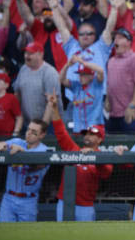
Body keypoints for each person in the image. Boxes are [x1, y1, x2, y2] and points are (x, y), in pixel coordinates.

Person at [47, 91, 113, 222]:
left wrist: (93, 156)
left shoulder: (104, 156)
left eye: (92, 134)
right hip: (64, 202)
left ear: (100, 139)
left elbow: (107, 172)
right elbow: (61, 132)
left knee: (85, 239)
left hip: (85, 206)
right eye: (86, 134)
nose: (87, 136)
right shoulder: (74, 149)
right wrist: (54, 108)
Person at [0, 119, 49, 222]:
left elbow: (36, 165)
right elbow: (0, 144)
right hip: (9, 198)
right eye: (28, 129)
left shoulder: (45, 150)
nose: (29, 133)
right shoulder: (17, 142)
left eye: (34, 132)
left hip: (28, 201)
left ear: (42, 135)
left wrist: (22, 153)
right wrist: (1, 145)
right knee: (4, 232)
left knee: (26, 235)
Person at [13, 42, 63, 128]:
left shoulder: (50, 72)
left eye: (31, 53)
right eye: (26, 53)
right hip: (28, 123)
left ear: (40, 54)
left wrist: (42, 127)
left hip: (50, 125)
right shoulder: (23, 69)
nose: (27, 56)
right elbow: (17, 94)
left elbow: (51, 102)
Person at [106, 28, 135, 132]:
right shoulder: (111, 61)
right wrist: (107, 99)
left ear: (128, 42)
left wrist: (132, 105)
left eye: (120, 38)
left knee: (128, 145)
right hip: (114, 113)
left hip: (129, 113)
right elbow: (110, 83)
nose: (116, 41)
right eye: (115, 38)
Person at [60, 57, 105, 133]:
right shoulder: (76, 86)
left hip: (95, 128)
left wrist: (83, 63)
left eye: (84, 74)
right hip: (78, 128)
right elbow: (61, 79)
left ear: (91, 76)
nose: (81, 77)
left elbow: (101, 71)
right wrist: (67, 65)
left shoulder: (97, 84)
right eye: (80, 74)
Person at [0, 73, 22, 137]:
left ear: (6, 85)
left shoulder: (11, 98)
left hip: (7, 135)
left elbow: (19, 117)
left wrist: (16, 132)